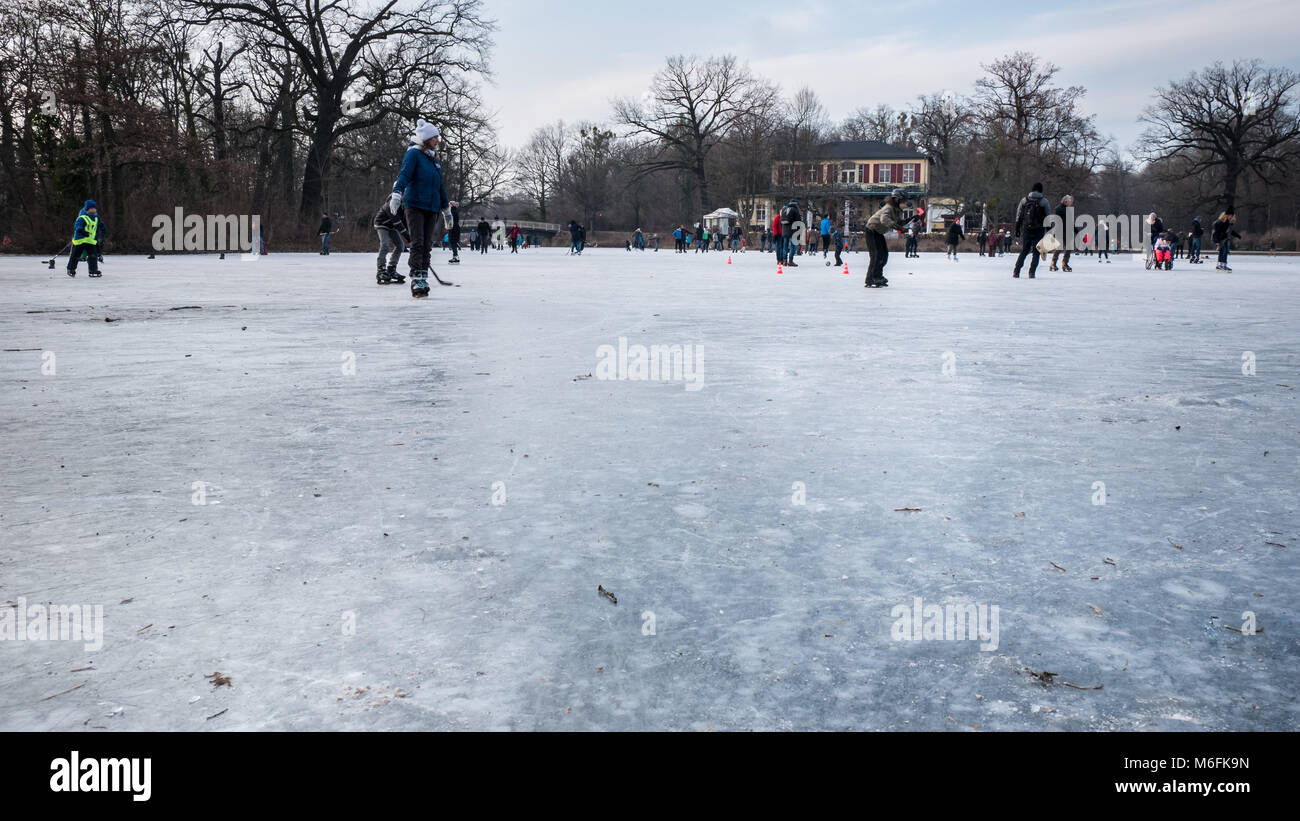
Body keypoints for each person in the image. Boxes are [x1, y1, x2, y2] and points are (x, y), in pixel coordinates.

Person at [389, 117, 451, 297]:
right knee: (417, 242)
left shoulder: (434, 160)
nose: (437, 140)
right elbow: (404, 175)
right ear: (426, 138)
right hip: (415, 205)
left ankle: (423, 276)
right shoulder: (413, 154)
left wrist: (446, 210)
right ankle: (416, 278)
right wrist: (396, 194)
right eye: (434, 137)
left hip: (432, 208)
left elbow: (440, 186)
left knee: (427, 244)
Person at [864, 189, 907, 287]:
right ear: (897, 200)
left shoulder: (896, 210)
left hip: (878, 232)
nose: (906, 204)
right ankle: (871, 278)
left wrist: (911, 219)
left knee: (884, 255)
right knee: (876, 255)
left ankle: (878, 276)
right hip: (872, 230)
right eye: (904, 202)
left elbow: (898, 222)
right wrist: (899, 228)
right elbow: (884, 220)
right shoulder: (888, 208)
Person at [1012, 182, 1050, 278]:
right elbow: (1048, 217)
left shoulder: (1024, 200)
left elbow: (1019, 215)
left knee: (1024, 250)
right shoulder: (1044, 201)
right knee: (1036, 252)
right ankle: (1031, 272)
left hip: (1027, 228)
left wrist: (1017, 228)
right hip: (1039, 229)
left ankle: (1016, 271)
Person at [373, 197, 409, 284]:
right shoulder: (391, 203)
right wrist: (408, 238)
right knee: (385, 245)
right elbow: (397, 222)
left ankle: (391, 268)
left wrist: (412, 236)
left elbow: (404, 222)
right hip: (381, 224)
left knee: (400, 246)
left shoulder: (404, 205)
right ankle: (381, 269)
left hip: (391, 226)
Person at [65, 199, 103, 278]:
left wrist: (102, 232)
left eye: (94, 208)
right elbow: (77, 226)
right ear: (87, 210)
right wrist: (81, 231)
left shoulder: (96, 217)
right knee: (75, 255)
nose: (93, 210)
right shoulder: (82, 217)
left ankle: (93, 270)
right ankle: (71, 269)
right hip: (80, 240)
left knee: (93, 255)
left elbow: (100, 225)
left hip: (91, 241)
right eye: (91, 208)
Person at [1049, 194, 1074, 272]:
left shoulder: (1069, 210)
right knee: (1059, 248)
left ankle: (1065, 263)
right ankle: (1053, 263)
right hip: (1060, 231)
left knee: (1069, 248)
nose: (1072, 203)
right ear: (1066, 201)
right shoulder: (1059, 208)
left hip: (1068, 232)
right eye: (1070, 201)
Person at [1212, 207, 1241, 272]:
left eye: (1232, 216)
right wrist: (1216, 241)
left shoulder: (1228, 223)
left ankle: (1222, 265)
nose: (1231, 217)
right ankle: (1221, 265)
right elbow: (1216, 232)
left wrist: (1238, 236)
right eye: (1231, 215)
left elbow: (1230, 231)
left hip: (1225, 239)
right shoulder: (1220, 222)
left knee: (1225, 251)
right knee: (1223, 251)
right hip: (1220, 239)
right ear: (1227, 215)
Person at [779, 200, 801, 267]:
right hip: (793, 231)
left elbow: (781, 222)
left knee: (785, 246)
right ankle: (790, 261)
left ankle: (784, 260)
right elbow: (798, 221)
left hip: (785, 231)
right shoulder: (795, 210)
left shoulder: (784, 210)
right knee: (792, 246)